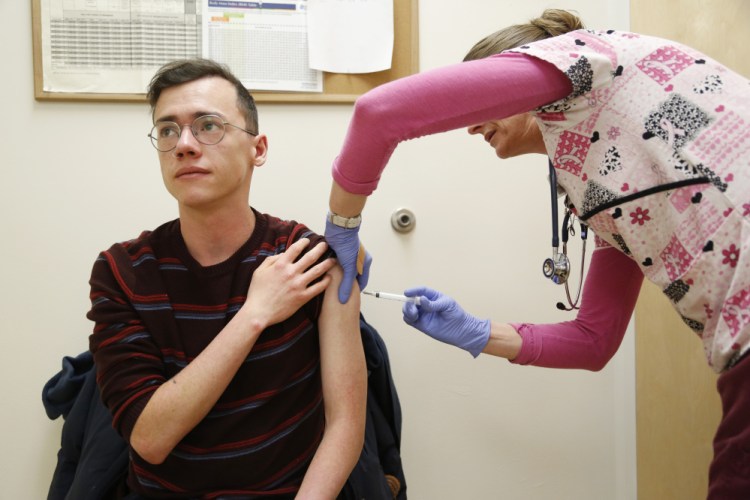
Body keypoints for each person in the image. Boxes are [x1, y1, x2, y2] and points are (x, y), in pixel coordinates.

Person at [323, 8, 750, 499]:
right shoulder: (605, 178)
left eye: (478, 103)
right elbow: (594, 341)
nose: (468, 127)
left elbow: (378, 114)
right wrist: (476, 332)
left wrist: (342, 224)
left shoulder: (584, 59)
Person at [87, 58, 367, 498]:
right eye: (167, 130)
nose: (184, 144)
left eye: (208, 125)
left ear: (258, 149)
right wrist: (255, 314)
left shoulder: (307, 258)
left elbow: (346, 424)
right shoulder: (122, 271)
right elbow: (149, 439)